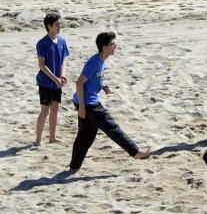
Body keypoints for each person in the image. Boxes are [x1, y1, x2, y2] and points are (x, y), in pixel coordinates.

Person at [68, 32, 150, 171]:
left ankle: (74, 167)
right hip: (88, 104)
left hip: (87, 102)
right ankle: (135, 152)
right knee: (112, 128)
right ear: (104, 47)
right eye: (112, 44)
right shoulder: (94, 62)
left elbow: (92, 80)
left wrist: (102, 86)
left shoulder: (101, 61)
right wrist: (82, 106)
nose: (115, 46)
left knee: (85, 137)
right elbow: (79, 82)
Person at [35, 13, 69, 146]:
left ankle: (52, 137)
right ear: (49, 26)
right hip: (45, 82)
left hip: (57, 81)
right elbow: (41, 65)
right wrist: (55, 79)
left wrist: (63, 75)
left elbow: (63, 61)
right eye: (57, 24)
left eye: (59, 23)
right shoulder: (42, 43)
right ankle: (38, 140)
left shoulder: (62, 41)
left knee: (55, 109)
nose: (60, 26)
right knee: (45, 110)